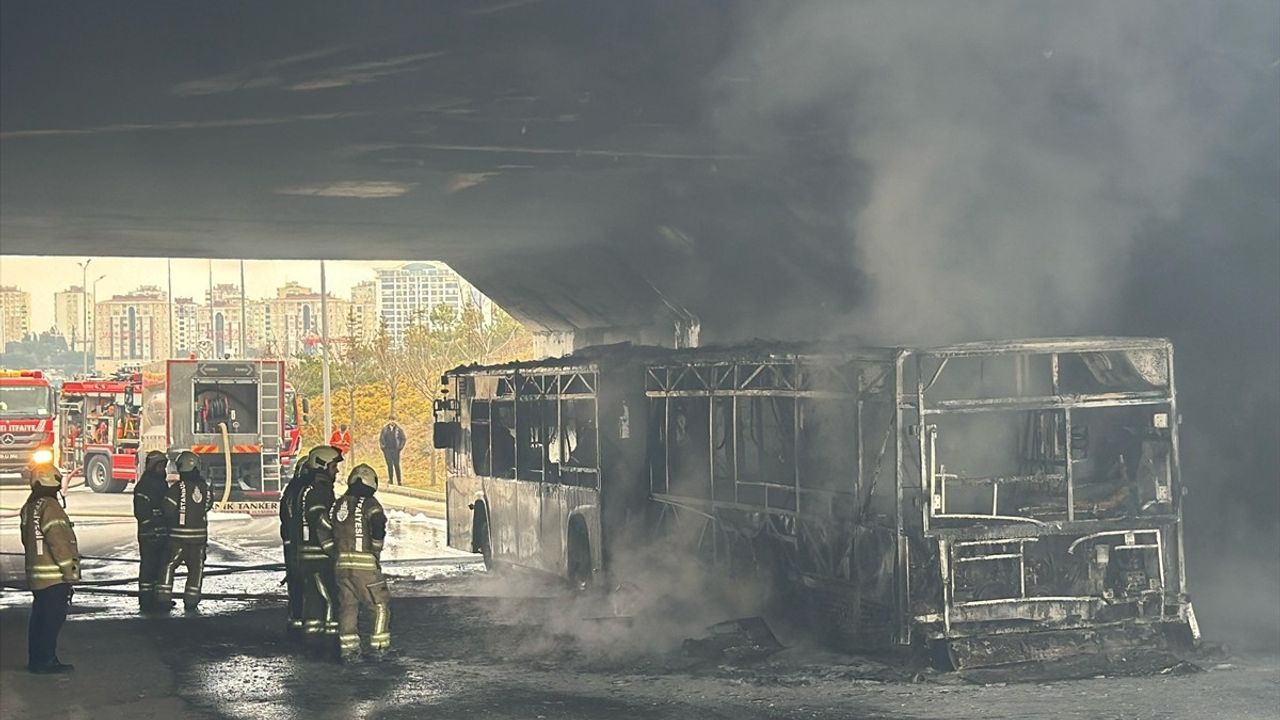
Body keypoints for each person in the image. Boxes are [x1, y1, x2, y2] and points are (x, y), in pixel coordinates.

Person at [321, 463, 391, 663]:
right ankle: (379, 648)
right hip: (365, 567)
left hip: (341, 567)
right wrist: (376, 549)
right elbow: (378, 523)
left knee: (348, 607)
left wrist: (331, 550)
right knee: (379, 605)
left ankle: (350, 652)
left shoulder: (337, 504)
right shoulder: (370, 503)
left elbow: (322, 525)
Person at [21, 459, 80, 674]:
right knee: (52, 620)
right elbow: (60, 543)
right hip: (54, 576)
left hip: (37, 575)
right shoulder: (51, 507)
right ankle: (46, 660)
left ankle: (36, 659)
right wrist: (70, 572)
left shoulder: (30, 507)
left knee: (39, 617)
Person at [158, 451, 212, 612]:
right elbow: (207, 506)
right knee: (196, 570)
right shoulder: (205, 488)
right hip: (199, 540)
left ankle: (163, 598)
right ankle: (191, 600)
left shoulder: (177, 488)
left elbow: (167, 509)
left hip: (178, 538)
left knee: (168, 566)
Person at [300, 445, 343, 646]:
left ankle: (314, 640)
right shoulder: (318, 491)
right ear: (323, 466)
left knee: (316, 599)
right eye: (334, 466)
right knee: (330, 597)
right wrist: (339, 527)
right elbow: (319, 518)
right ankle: (329, 642)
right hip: (318, 555)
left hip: (311, 554)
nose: (337, 471)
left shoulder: (313, 488)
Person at [278, 456, 312, 639]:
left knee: (295, 580)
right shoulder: (306, 491)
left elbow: (285, 516)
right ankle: (303, 618)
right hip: (300, 544)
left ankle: (296, 617)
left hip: (291, 543)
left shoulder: (291, 490)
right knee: (305, 581)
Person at [133, 450, 171, 612]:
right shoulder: (144, 486)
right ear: (152, 466)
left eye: (164, 466)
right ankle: (146, 600)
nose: (162, 469)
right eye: (159, 466)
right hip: (149, 534)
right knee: (149, 567)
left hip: (161, 533)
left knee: (161, 567)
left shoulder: (161, 484)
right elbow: (141, 512)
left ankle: (158, 599)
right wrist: (151, 529)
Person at [379, 418, 406, 486]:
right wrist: (383, 447)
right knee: (389, 465)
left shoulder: (398, 430)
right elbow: (381, 438)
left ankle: (399, 481)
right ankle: (390, 480)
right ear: (388, 421)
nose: (392, 421)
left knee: (396, 465)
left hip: (395, 450)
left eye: (393, 420)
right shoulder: (385, 429)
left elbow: (403, 439)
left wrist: (400, 447)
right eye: (391, 420)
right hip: (387, 449)